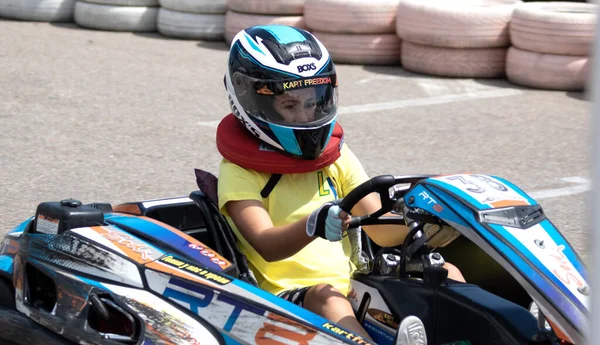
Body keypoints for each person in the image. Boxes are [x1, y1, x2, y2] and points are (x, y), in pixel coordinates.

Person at [215, 24, 465, 345]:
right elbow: (265, 243)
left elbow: (380, 229)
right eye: (290, 105)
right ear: (252, 99)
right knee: (329, 299)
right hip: (281, 299)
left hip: (352, 281)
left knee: (445, 270)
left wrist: (428, 221)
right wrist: (312, 225)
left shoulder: (334, 155)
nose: (305, 117)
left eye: (311, 103)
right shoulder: (239, 171)